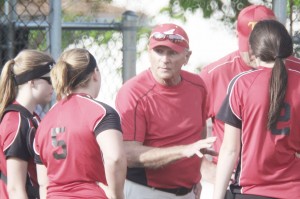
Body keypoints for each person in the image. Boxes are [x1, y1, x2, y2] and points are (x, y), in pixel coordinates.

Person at [199, 5, 300, 196]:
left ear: (255, 47)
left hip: (249, 186)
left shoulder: (241, 84)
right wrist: (202, 168)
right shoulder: (215, 74)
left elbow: (230, 149)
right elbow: (187, 129)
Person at [115, 23, 217, 199]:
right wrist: (183, 151)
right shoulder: (133, 92)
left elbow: (197, 132)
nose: (165, 59)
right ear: (148, 52)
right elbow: (128, 154)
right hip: (145, 191)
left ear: (187, 56)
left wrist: (194, 177)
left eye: (172, 52)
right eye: (159, 51)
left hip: (188, 191)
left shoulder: (197, 85)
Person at [33, 48, 127, 199]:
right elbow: (115, 158)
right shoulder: (101, 112)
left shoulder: (45, 121)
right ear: (95, 73)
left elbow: (44, 183)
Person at [0, 49, 55, 199]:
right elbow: (15, 188)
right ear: (32, 81)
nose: (54, 86)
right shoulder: (16, 122)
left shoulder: (31, 117)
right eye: (49, 79)